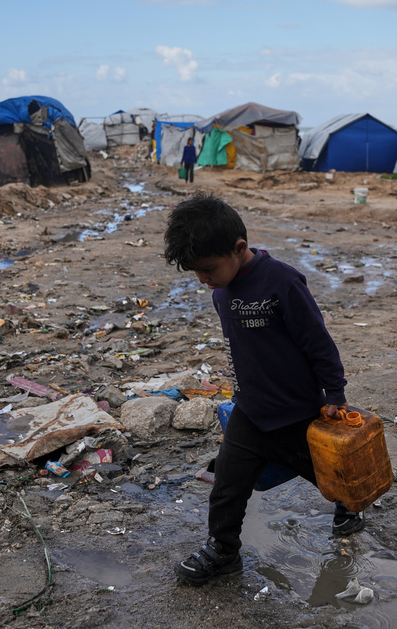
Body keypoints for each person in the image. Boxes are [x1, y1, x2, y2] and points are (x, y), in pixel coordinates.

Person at [163, 195, 363, 586]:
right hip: (250, 413)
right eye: (196, 273)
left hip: (297, 413)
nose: (203, 280)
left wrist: (335, 395)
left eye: (208, 269)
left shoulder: (283, 282)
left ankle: (348, 505)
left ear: (239, 249)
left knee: (327, 477)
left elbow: (318, 343)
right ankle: (223, 551)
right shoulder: (221, 292)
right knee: (227, 489)